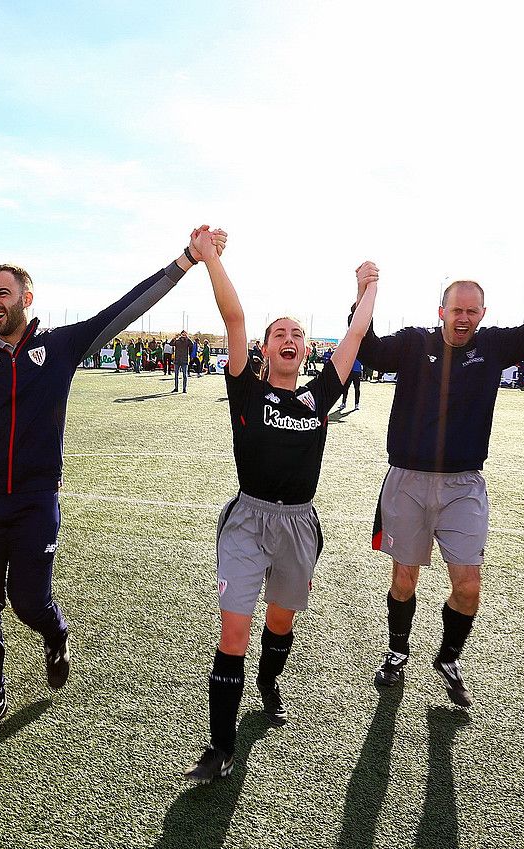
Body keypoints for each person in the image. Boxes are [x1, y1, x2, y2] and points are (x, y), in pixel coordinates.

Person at [0, 226, 225, 739]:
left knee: (28, 601)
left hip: (35, 499)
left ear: (26, 297)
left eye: (2, 293)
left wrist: (185, 260)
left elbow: (125, 309)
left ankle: (55, 633)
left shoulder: (61, 345)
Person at [184, 231, 379, 782]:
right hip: (246, 521)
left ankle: (268, 685)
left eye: (297, 333)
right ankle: (219, 746)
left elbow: (356, 334)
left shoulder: (320, 395)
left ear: (306, 350)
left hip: (298, 525)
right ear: (265, 350)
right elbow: (235, 317)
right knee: (234, 632)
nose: (289, 338)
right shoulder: (246, 389)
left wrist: (368, 286)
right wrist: (211, 260)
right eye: (279, 333)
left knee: (279, 622)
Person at [357, 244, 524, 707]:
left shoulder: (494, 345)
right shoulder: (413, 342)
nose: (463, 318)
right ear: (441, 310)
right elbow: (370, 349)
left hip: (464, 485)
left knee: (468, 586)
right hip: (407, 480)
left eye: (471, 311)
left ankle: (448, 657)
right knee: (404, 579)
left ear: (482, 314)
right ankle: (398, 651)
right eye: (455, 309)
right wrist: (364, 291)